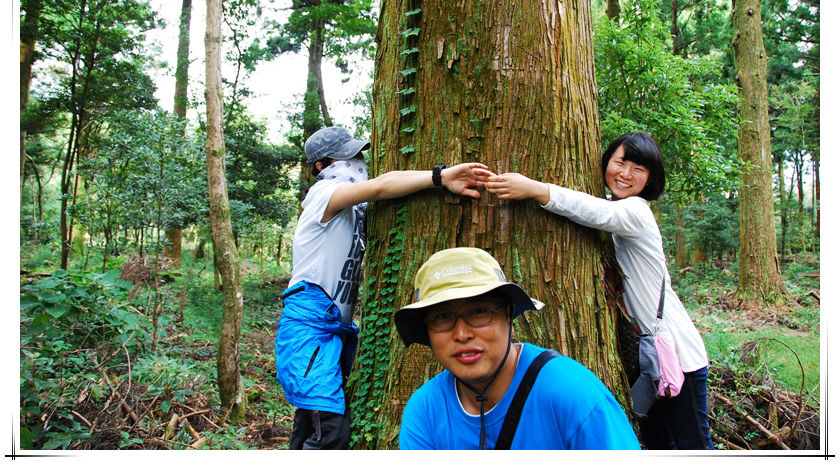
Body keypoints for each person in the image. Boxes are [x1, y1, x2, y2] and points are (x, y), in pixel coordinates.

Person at [485, 132, 713, 450]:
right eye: (620, 162)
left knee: (694, 446)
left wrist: (536, 189)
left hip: (676, 356)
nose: (625, 174)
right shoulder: (616, 206)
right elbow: (592, 207)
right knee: (659, 444)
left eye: (639, 169)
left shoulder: (636, 210)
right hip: (649, 360)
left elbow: (597, 213)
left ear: (650, 180)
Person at [275, 126, 492, 450]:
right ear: (321, 166)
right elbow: (378, 187)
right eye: (347, 156)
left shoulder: (347, 209)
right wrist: (440, 177)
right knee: (331, 433)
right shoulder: (322, 195)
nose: (358, 161)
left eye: (359, 154)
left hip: (335, 328)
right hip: (310, 326)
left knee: (311, 422)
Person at [395, 247, 641, 450]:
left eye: (479, 311)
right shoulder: (425, 410)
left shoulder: (570, 392)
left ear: (509, 316)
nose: (461, 334)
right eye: (442, 317)